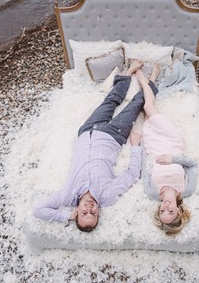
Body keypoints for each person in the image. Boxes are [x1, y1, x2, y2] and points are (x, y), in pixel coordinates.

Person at [33, 60, 160, 232]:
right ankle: (152, 79)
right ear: (98, 213)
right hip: (113, 136)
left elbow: (38, 210)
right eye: (93, 214)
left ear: (76, 212)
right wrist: (135, 146)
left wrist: (66, 217)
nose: (89, 210)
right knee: (137, 105)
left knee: (111, 100)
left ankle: (128, 74)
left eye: (84, 214)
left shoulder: (68, 196)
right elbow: (131, 174)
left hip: (87, 131)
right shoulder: (107, 196)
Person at [136, 69, 198, 236]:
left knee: (144, 110)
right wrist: (172, 159)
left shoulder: (152, 192)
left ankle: (152, 79)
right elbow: (192, 164)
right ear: (179, 212)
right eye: (171, 212)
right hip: (172, 142)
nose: (166, 207)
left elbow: (143, 169)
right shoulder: (186, 189)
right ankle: (144, 79)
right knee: (148, 106)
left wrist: (139, 144)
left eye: (162, 211)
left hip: (153, 145)